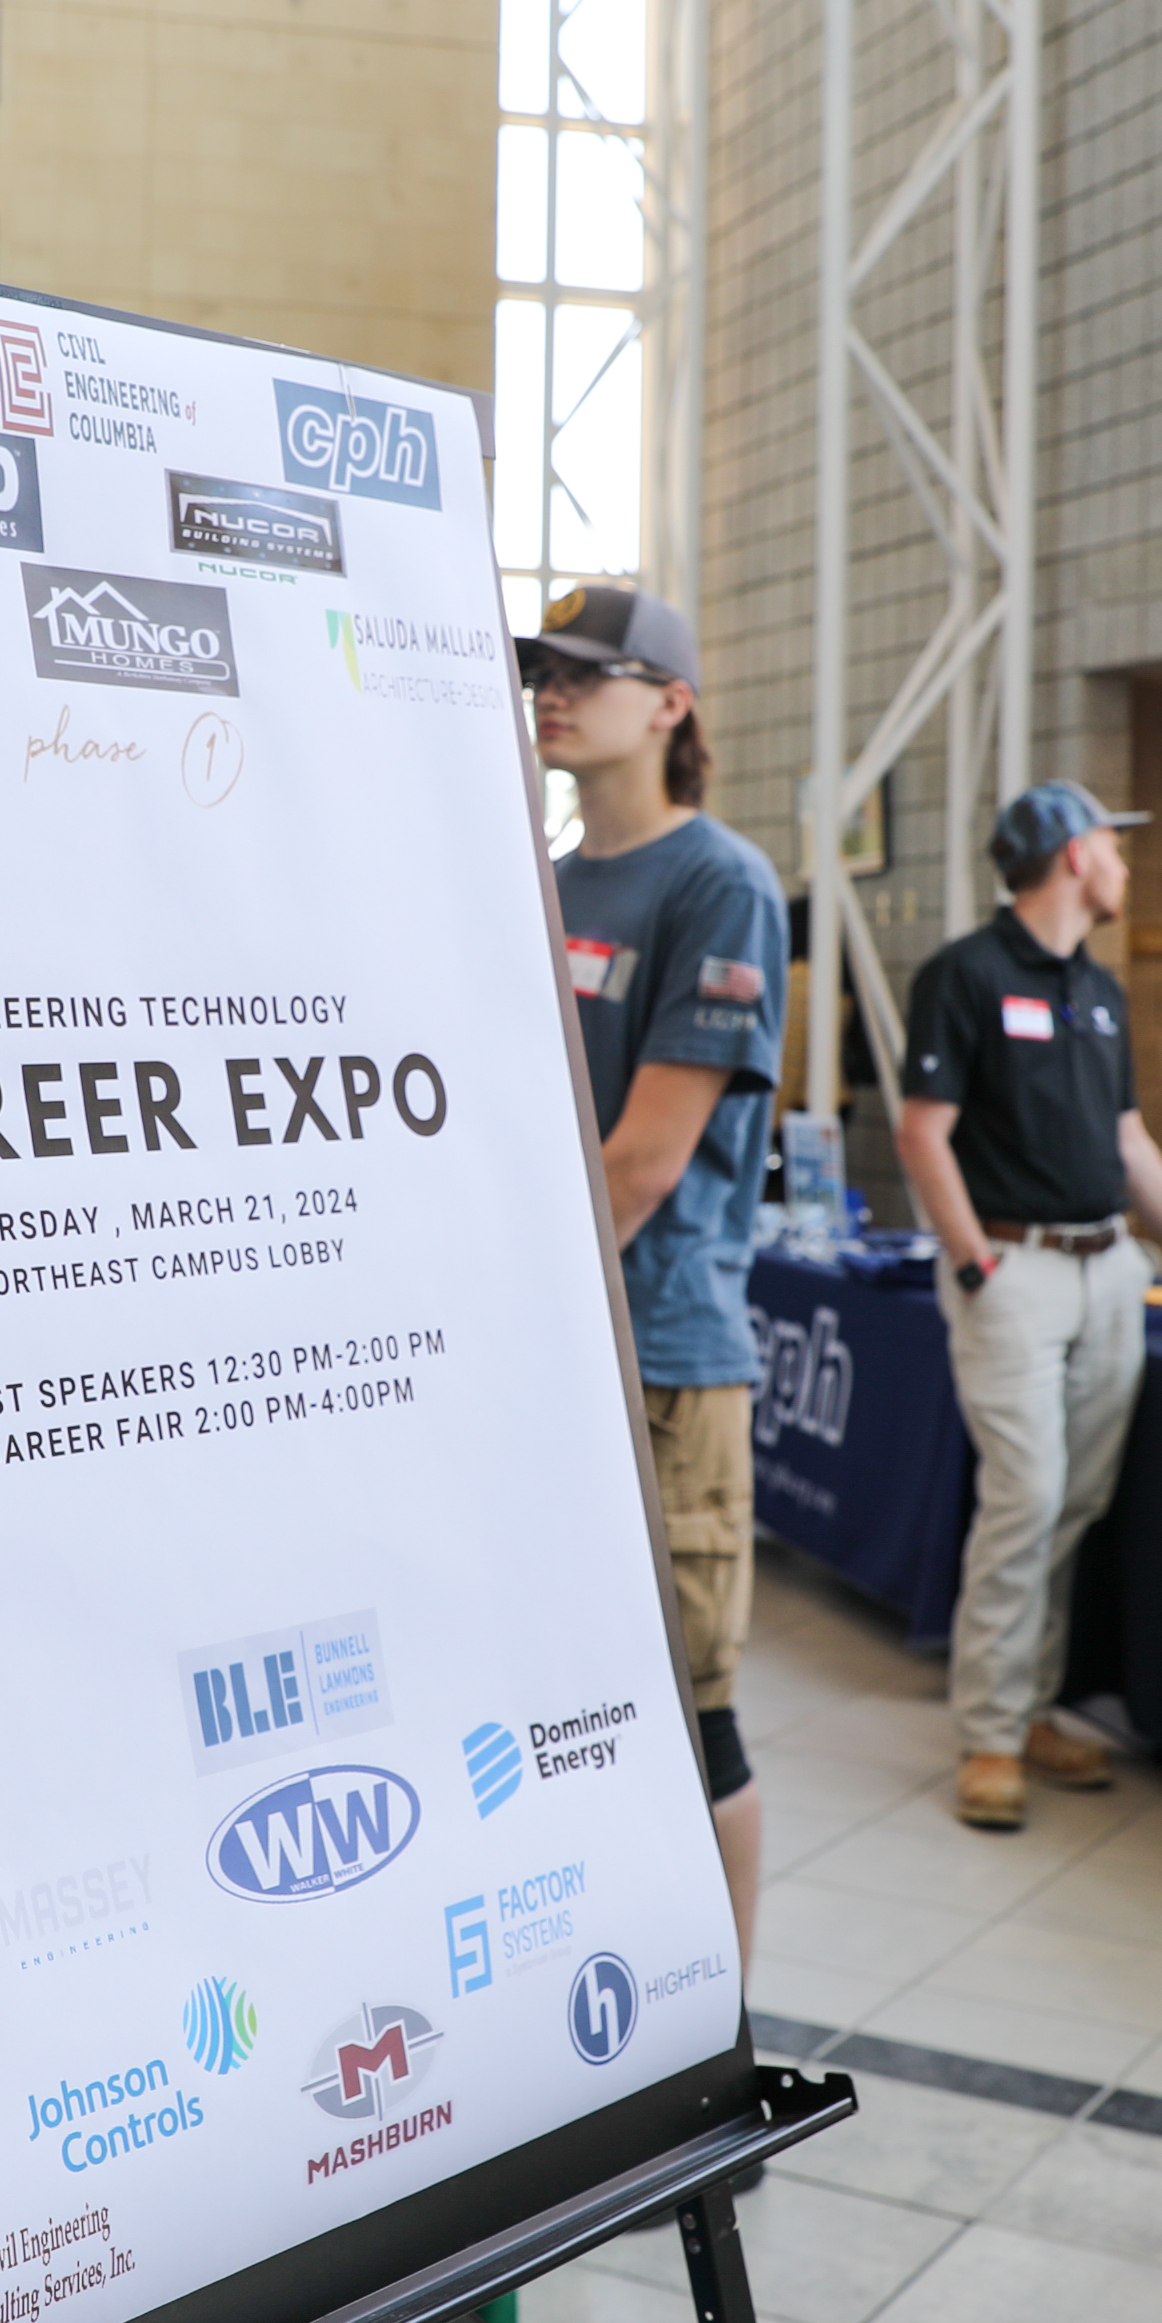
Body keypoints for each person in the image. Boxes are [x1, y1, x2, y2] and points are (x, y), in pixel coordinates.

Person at [898, 783, 1162, 1832]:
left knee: (1075, 1503)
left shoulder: (1100, 992)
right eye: (1114, 841)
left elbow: (1129, 1143)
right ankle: (990, 1735)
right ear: (1069, 856)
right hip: (1012, 1273)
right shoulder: (963, 975)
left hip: (1112, 1271)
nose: (1127, 863)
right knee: (1026, 1494)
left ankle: (1035, 1705)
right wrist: (972, 1266)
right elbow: (925, 1132)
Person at [521, 580, 786, 1978]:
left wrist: (512, 1321)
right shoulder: (547, 880)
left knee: (695, 1712)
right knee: (566, 1707)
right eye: (540, 672)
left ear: (671, 703)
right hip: (555, 1354)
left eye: (585, 672)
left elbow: (644, 1163)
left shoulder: (717, 883)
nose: (552, 693)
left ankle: (722, 2020)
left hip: (663, 1360)